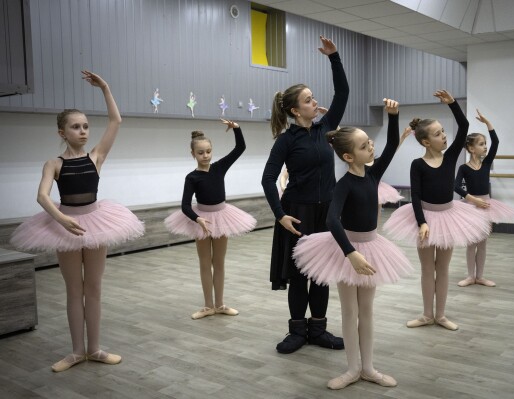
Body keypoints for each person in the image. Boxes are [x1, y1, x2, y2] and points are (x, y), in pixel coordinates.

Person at [10, 71, 144, 372]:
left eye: (85, 126)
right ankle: (75, 351)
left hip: (96, 222)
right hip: (64, 226)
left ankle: (94, 349)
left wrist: (105, 88)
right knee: (74, 290)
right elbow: (42, 196)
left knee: (93, 288)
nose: (83, 131)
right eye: (75, 127)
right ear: (62, 133)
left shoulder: (96, 156)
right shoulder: (54, 163)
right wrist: (61, 220)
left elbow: (115, 122)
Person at [293, 98, 412, 389]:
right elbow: (332, 221)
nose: (371, 147)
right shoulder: (343, 184)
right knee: (349, 311)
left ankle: (369, 368)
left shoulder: (373, 174)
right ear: (348, 157)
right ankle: (351, 369)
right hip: (345, 251)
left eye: (369, 142)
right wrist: (351, 255)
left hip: (371, 248)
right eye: (364, 146)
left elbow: (391, 145)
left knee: (367, 311)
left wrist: (393, 116)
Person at [261, 35, 349, 354]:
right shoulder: (286, 141)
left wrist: (334, 57)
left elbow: (343, 93)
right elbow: (268, 179)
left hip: (326, 212)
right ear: (297, 110)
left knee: (322, 275)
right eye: (309, 100)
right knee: (300, 276)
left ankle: (319, 330)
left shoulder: (326, 130)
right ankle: (297, 331)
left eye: (313, 99)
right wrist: (280, 215)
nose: (315, 102)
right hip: (296, 213)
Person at [383, 90, 490, 331]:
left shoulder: (451, 156)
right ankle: (426, 314)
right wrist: (421, 222)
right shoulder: (418, 164)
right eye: (438, 134)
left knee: (442, 268)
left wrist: (452, 103)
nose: (444, 136)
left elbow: (463, 126)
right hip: (425, 219)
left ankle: (440, 315)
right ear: (425, 142)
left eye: (443, 132)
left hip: (448, 217)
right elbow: (417, 196)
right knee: (427, 268)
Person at [165, 119, 256, 319]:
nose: (205, 155)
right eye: (200, 152)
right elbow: (185, 206)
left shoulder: (219, 167)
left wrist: (237, 129)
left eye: (208, 151)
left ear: (211, 151)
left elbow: (240, 148)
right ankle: (207, 306)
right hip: (202, 220)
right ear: (193, 154)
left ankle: (220, 304)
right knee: (205, 263)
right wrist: (197, 219)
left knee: (219, 262)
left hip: (222, 217)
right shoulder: (192, 177)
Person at [454, 110, 514, 287]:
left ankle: (480, 276)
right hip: (471, 205)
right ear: (471, 148)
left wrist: (488, 123)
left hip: (487, 205)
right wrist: (472, 200)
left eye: (485, 144)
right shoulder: (464, 168)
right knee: (471, 243)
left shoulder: (487, 163)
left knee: (482, 243)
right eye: (481, 144)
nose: (485, 147)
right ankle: (470, 276)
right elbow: (456, 186)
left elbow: (496, 142)